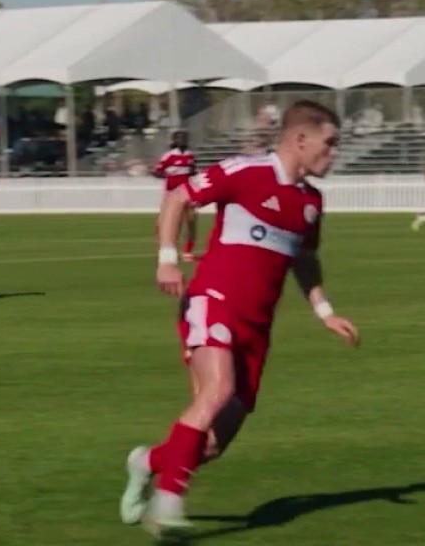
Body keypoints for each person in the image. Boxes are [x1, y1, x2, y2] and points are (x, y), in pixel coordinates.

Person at [120, 100, 361, 539]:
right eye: (330, 144)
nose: (334, 153)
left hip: (256, 328)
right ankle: (167, 505)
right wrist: (167, 259)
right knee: (218, 389)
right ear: (300, 139)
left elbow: (305, 260)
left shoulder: (310, 203)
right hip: (212, 302)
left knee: (211, 445)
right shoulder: (245, 172)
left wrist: (324, 311)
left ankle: (147, 462)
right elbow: (178, 197)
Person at [153, 130, 199, 261]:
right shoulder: (168, 156)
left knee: (191, 221)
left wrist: (192, 175)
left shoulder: (190, 156)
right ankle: (168, 248)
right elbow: (156, 172)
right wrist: (170, 175)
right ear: (174, 141)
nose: (182, 140)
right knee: (169, 223)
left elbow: (193, 172)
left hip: (187, 193)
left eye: (184, 138)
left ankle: (188, 251)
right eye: (179, 138)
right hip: (172, 194)